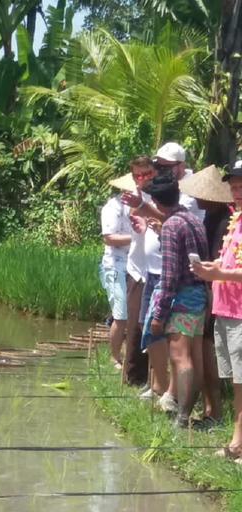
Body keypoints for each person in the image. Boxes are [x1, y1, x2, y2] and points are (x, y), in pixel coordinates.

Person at [140, 171, 209, 429]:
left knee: (180, 357)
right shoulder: (194, 220)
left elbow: (169, 276)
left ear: (157, 202)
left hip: (181, 298)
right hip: (200, 295)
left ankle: (182, 417)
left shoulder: (171, 226)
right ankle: (187, 411)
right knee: (195, 356)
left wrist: (158, 315)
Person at [193, 161, 242, 455]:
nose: (237, 192)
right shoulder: (235, 220)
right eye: (234, 187)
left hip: (240, 314)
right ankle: (237, 442)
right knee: (237, 382)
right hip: (226, 309)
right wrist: (214, 267)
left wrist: (219, 275)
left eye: (241, 186)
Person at [179, 164, 232, 425]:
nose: (197, 199)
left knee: (208, 351)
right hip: (213, 288)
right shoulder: (212, 218)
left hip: (217, 291)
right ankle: (211, 409)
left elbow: (217, 260)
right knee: (207, 350)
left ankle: (215, 410)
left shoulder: (223, 221)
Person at [110, 157, 153, 389]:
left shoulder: (162, 194)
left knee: (154, 326)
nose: (143, 179)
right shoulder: (131, 200)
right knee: (135, 325)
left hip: (157, 267)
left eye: (147, 173)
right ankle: (134, 378)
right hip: (137, 268)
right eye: (139, 175)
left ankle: (154, 379)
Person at [99, 187, 132, 370]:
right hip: (116, 265)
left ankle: (129, 355)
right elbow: (109, 238)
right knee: (121, 315)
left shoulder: (145, 205)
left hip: (137, 266)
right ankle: (114, 357)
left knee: (134, 314)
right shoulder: (113, 207)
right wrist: (137, 237)